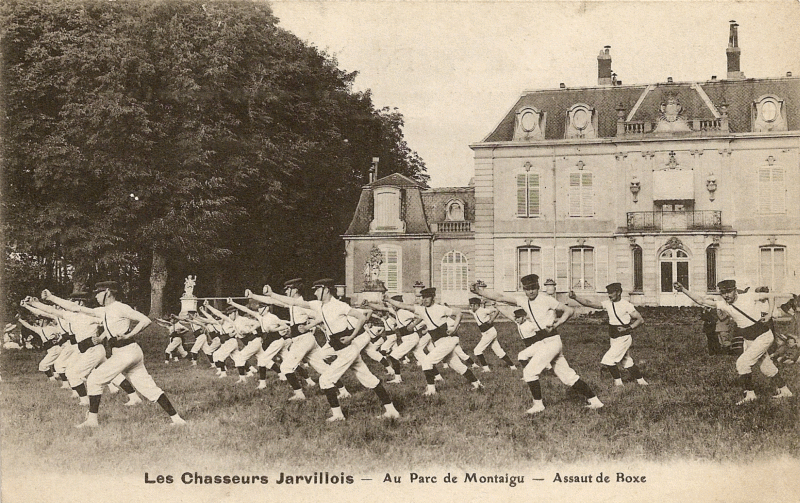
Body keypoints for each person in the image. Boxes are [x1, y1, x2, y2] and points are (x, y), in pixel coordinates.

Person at [261, 279, 400, 421]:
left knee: (325, 380)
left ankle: (338, 415)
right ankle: (391, 410)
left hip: (347, 349)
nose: (314, 292)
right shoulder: (319, 305)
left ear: (325, 289)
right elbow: (294, 302)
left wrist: (351, 337)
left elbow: (361, 317)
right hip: (340, 348)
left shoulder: (340, 305)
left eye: (317, 289)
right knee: (369, 378)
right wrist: (272, 294)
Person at [472, 274, 603, 414]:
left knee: (529, 372)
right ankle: (595, 401)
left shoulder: (546, 299)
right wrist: (480, 292)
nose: (531, 291)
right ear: (524, 289)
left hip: (552, 340)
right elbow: (500, 298)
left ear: (538, 287)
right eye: (528, 289)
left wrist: (557, 323)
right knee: (568, 377)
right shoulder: (523, 301)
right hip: (543, 342)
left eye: (533, 288)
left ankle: (538, 405)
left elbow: (569, 310)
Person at [63, 281, 186, 427]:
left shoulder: (120, 307)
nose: (96, 296)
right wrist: (50, 298)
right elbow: (75, 308)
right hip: (128, 352)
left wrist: (129, 335)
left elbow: (145, 320)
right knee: (148, 387)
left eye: (98, 293)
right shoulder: (104, 310)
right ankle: (177, 419)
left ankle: (92, 421)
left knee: (94, 380)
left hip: (126, 352)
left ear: (107, 292)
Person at [675, 279, 793, 405]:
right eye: (723, 293)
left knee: (742, 363)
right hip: (750, 339)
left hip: (763, 336)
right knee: (766, 368)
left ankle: (750, 394)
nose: (726, 295)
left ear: (735, 290)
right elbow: (701, 301)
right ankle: (785, 391)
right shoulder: (723, 304)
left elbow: (770, 295)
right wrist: (683, 290)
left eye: (729, 292)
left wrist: (770, 313)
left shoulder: (748, 297)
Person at [386, 288, 483, 395]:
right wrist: (389, 300)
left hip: (448, 340)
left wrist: (454, 328)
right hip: (439, 342)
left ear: (433, 297)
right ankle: (477, 384)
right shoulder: (421, 309)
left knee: (427, 361)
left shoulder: (441, 308)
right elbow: (403, 305)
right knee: (457, 365)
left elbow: (459, 313)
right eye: (423, 297)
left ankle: (431, 390)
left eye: (427, 297)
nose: (425, 300)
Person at [569, 283, 648, 386]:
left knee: (608, 360)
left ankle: (618, 384)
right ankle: (641, 382)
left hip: (623, 337)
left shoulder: (626, 305)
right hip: (614, 337)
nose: (609, 295)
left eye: (611, 292)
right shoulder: (608, 303)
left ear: (619, 292)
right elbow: (589, 303)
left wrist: (628, 328)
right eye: (608, 293)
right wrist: (575, 297)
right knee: (626, 361)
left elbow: (640, 320)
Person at [468, 297, 516, 372]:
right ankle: (513, 367)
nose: (470, 307)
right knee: (498, 351)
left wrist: (491, 320)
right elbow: (466, 311)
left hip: (489, 332)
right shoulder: (474, 311)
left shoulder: (483, 310)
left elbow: (497, 310)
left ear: (476, 305)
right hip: (487, 333)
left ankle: (486, 369)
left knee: (477, 350)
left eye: (471, 305)